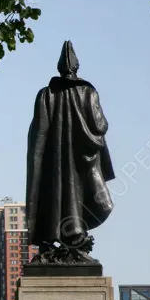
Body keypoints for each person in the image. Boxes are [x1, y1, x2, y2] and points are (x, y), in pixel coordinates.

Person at [26, 41, 115, 261]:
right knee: (78, 195)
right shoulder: (88, 93)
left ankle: (58, 236)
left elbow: (37, 135)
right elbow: (100, 125)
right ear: (76, 67)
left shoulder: (46, 95)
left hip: (53, 164)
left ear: (60, 68)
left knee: (56, 196)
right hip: (81, 161)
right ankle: (74, 235)